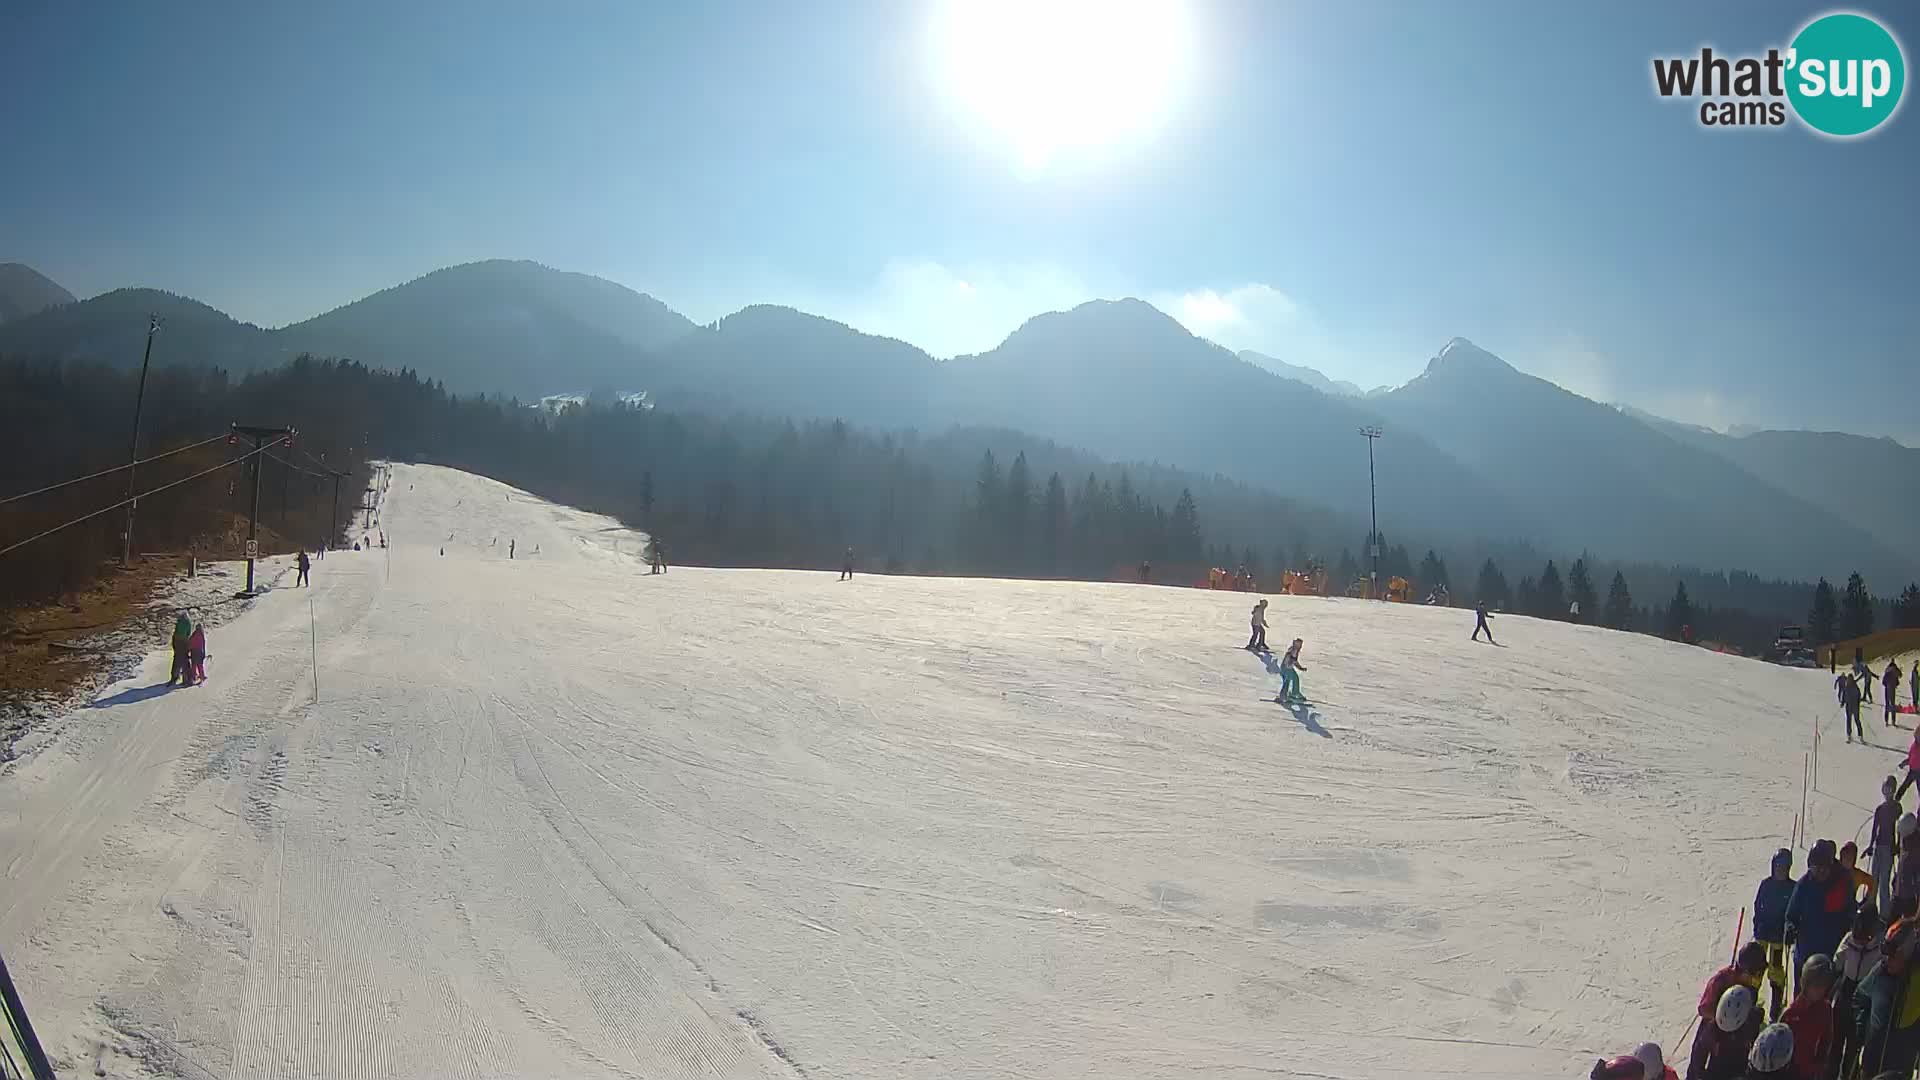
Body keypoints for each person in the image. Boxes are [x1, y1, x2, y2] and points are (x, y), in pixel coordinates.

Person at [1787, 840, 1855, 985]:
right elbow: (1791, 914)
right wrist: (1790, 928)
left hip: (1831, 954)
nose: (1820, 872)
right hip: (1805, 953)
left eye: (1823, 868)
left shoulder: (1841, 884)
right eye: (1815, 868)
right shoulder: (1804, 885)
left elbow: (1850, 911)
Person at [1834, 904, 1885, 1080]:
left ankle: (1848, 1075)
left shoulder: (1879, 946)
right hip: (1846, 990)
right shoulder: (1849, 940)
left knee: (1854, 1046)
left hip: (1864, 997)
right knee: (1835, 1042)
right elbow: (1838, 962)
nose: (1862, 939)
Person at [1754, 848, 1797, 1021]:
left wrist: (1790, 928)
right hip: (1764, 934)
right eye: (1778, 867)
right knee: (1756, 968)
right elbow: (1758, 905)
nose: (1780, 871)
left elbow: (1794, 911)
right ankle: (1752, 1000)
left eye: (1784, 868)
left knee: (1776, 971)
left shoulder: (1792, 887)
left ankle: (1775, 1006)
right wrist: (1757, 923)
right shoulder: (1766, 884)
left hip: (1779, 937)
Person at [1691, 981, 1762, 1080]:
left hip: (1738, 1069)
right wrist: (1701, 1073)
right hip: (1718, 1071)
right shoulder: (1713, 1029)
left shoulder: (1750, 1024)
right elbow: (1700, 1050)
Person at [1781, 954, 1835, 1078]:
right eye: (1816, 986)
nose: (1819, 991)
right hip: (1789, 1070)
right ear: (1806, 983)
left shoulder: (1825, 1009)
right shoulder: (1791, 1012)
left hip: (1810, 1071)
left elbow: (1827, 1039)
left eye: (1823, 987)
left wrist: (1820, 1065)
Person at [1871, 778, 1903, 916]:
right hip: (1878, 846)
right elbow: (1875, 828)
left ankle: (1885, 914)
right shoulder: (1880, 809)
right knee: (1874, 881)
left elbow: (1899, 828)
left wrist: (1897, 845)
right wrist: (1870, 845)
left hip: (1888, 848)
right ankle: (1870, 911)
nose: (1887, 793)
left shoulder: (1896, 807)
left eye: (1889, 789)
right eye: (1885, 789)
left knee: (1884, 882)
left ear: (1894, 790)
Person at [1276, 637, 1307, 704]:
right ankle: (1283, 697)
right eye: (1299, 645)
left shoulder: (1295, 650)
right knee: (1287, 682)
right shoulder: (1293, 650)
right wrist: (1288, 665)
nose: (1300, 646)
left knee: (1295, 678)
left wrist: (1300, 668)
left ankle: (1294, 693)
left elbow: (1294, 661)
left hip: (1288, 668)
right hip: (1286, 668)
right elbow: (1288, 659)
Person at [166, 614, 193, 687]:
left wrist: (174, 645)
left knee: (176, 661)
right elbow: (188, 633)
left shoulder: (179, 622)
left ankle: (174, 677)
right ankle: (188, 678)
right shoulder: (188, 623)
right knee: (185, 661)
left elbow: (175, 633)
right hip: (184, 642)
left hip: (177, 642)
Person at [1843, 674, 1866, 744]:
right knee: (1849, 721)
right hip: (1848, 706)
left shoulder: (1855, 687)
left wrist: (1857, 703)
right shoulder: (1847, 686)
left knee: (1857, 721)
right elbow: (1844, 695)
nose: (1848, 680)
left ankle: (1860, 736)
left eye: (1850, 679)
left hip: (1855, 706)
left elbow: (1859, 696)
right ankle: (1849, 735)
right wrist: (1843, 701)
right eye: (1848, 679)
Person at [1886, 660, 1906, 729]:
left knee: (1887, 704)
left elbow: (1883, 681)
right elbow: (1900, 675)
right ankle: (1893, 721)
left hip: (1887, 688)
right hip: (1892, 688)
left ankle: (1886, 720)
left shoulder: (1887, 669)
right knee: (1892, 704)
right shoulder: (1895, 669)